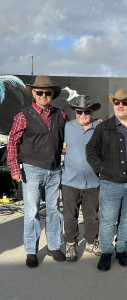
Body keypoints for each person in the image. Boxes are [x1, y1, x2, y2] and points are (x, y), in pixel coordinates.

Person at [7, 75, 69, 268]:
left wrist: (92, 125)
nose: (43, 95)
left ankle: (53, 246)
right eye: (40, 92)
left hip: (54, 170)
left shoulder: (61, 115)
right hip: (32, 170)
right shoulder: (23, 116)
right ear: (33, 93)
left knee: (54, 210)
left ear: (52, 94)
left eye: (47, 93)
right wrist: (15, 168)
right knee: (32, 211)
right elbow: (12, 143)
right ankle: (31, 250)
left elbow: (73, 132)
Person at [86, 89, 127, 271]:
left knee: (126, 220)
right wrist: (102, 169)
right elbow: (91, 151)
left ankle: (121, 250)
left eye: (124, 102)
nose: (120, 105)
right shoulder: (103, 128)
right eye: (117, 102)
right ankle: (106, 252)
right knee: (107, 220)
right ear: (114, 105)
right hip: (110, 184)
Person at [61, 95, 102, 262]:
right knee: (70, 216)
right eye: (79, 111)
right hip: (70, 181)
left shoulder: (101, 127)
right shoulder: (67, 127)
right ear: (75, 112)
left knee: (92, 215)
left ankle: (92, 241)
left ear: (92, 111)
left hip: (93, 182)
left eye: (86, 111)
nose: (83, 114)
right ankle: (71, 243)